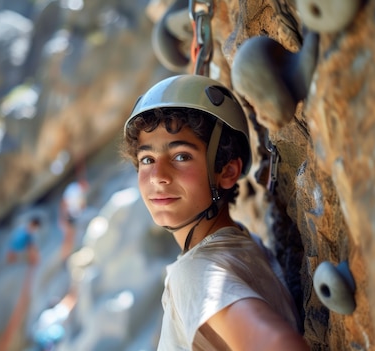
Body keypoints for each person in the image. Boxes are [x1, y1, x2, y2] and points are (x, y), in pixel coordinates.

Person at [121, 75, 309, 350]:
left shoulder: (196, 273)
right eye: (147, 159)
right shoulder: (245, 246)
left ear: (228, 171)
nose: (157, 177)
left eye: (181, 156)